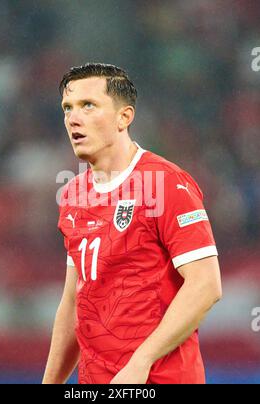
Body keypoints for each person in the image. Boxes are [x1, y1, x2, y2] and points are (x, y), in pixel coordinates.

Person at [43, 63, 222, 385]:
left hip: (159, 379)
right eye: (67, 108)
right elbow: (73, 301)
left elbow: (205, 285)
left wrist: (140, 363)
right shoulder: (72, 195)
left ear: (124, 117)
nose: (73, 118)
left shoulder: (166, 183)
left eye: (88, 105)